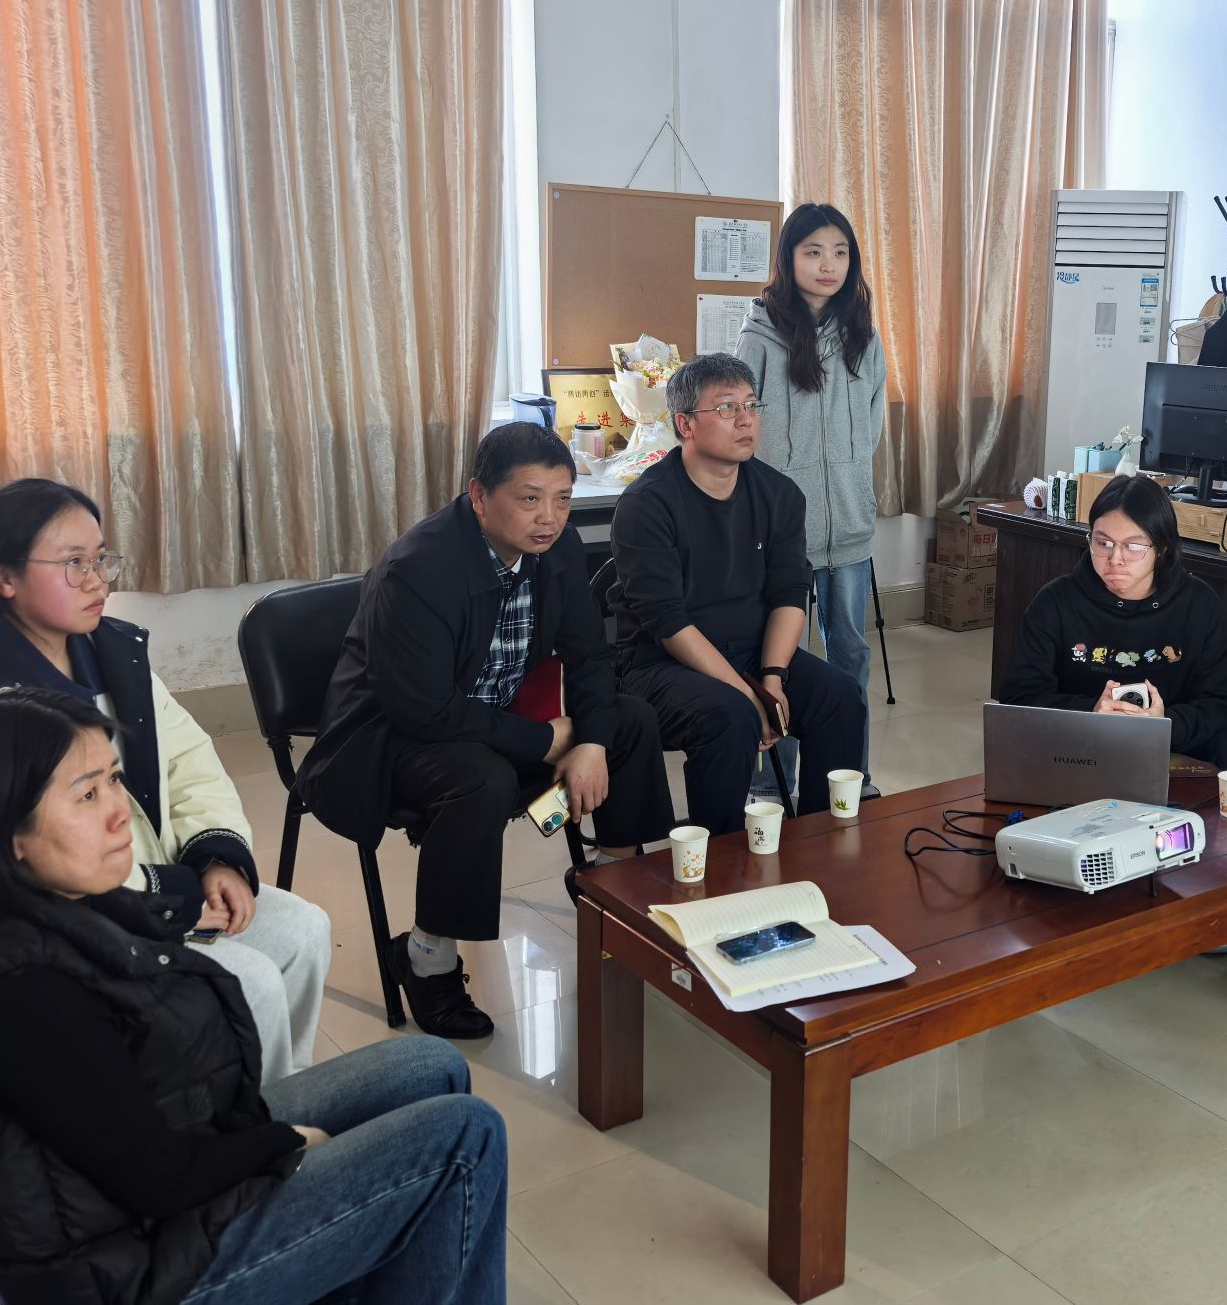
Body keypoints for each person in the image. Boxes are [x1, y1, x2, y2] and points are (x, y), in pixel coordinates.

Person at [0, 691, 510, 1305]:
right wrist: (281, 1141)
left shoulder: (46, 903)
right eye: (86, 795)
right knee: (466, 1138)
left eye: (114, 779)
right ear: (8, 831)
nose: (119, 811)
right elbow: (161, 1180)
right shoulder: (18, 996)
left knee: (430, 1068)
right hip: (128, 1287)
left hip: (136, 1195)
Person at [0, 479, 330, 1081]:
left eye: (100, 558)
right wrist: (171, 898)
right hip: (68, 927)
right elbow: (23, 870)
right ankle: (237, 1125)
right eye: (73, 563)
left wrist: (214, 856)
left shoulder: (110, 654)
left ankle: (284, 1101)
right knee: (251, 983)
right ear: (3, 579)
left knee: (305, 929)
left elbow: (188, 759)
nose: (98, 581)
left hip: (156, 883)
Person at [304, 423, 676, 1040]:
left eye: (562, 498)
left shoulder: (557, 549)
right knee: (482, 778)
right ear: (479, 496)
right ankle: (425, 958)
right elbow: (424, 710)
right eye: (530, 498)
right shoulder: (417, 570)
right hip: (386, 740)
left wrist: (588, 743)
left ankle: (611, 895)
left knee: (629, 721)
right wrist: (546, 741)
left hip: (492, 720)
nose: (549, 518)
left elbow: (589, 656)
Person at [609, 352, 869, 835]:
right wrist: (746, 694)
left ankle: (821, 842)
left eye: (752, 405)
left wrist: (772, 678)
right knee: (729, 715)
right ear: (685, 424)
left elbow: (790, 593)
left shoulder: (779, 495)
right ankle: (719, 859)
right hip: (660, 666)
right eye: (727, 408)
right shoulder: (647, 505)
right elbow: (667, 622)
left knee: (839, 697)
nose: (746, 419)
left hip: (753, 653)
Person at [737, 202, 888, 792]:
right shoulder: (760, 336)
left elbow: (871, 426)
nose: (829, 265)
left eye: (840, 253)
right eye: (814, 252)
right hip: (780, 533)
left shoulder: (863, 336)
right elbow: (745, 428)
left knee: (850, 654)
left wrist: (848, 477)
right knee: (781, 661)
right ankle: (774, 787)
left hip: (849, 524)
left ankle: (852, 775)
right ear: (789, 258)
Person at [998, 473, 1227, 769]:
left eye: (1133, 546)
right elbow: (1019, 697)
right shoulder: (1055, 602)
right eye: (1103, 542)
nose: (1115, 558)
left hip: (1171, 749)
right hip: (1079, 749)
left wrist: (1166, 723)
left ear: (1162, 547)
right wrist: (1090, 712)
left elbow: (1226, 704)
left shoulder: (1199, 604)